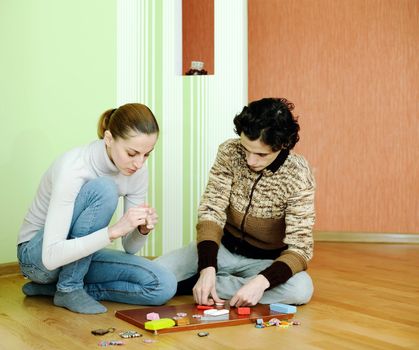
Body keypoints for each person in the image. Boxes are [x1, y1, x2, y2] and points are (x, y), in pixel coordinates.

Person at [17, 103, 177, 314]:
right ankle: (68, 288)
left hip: (79, 256)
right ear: (109, 139)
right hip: (38, 260)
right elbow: (50, 256)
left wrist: (141, 230)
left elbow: (130, 247)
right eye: (132, 153)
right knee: (104, 188)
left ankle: (58, 289)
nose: (139, 163)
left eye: (146, 155)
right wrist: (113, 232)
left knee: (163, 284)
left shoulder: (138, 172)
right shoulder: (73, 168)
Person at [155, 97, 315, 307]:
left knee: (300, 290)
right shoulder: (229, 152)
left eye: (260, 154)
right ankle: (211, 281)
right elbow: (212, 210)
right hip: (220, 249)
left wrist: (261, 282)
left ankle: (204, 285)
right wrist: (207, 267)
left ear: (283, 145)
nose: (250, 160)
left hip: (264, 263)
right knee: (151, 274)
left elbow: (300, 248)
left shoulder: (298, 174)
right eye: (246, 149)